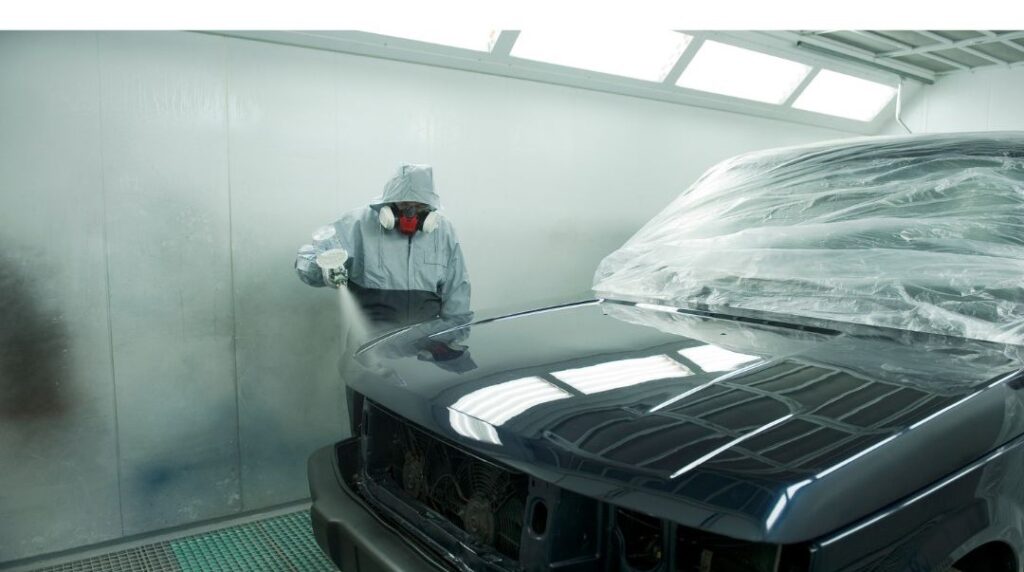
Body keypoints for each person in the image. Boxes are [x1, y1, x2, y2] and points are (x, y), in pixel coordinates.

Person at [294, 164, 471, 329]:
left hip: (425, 349)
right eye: (405, 205)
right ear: (390, 204)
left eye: (419, 206)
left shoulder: (443, 230)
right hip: (372, 349)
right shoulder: (358, 224)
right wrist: (323, 270)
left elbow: (457, 290)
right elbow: (307, 258)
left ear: (429, 208)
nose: (411, 214)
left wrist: (452, 341)